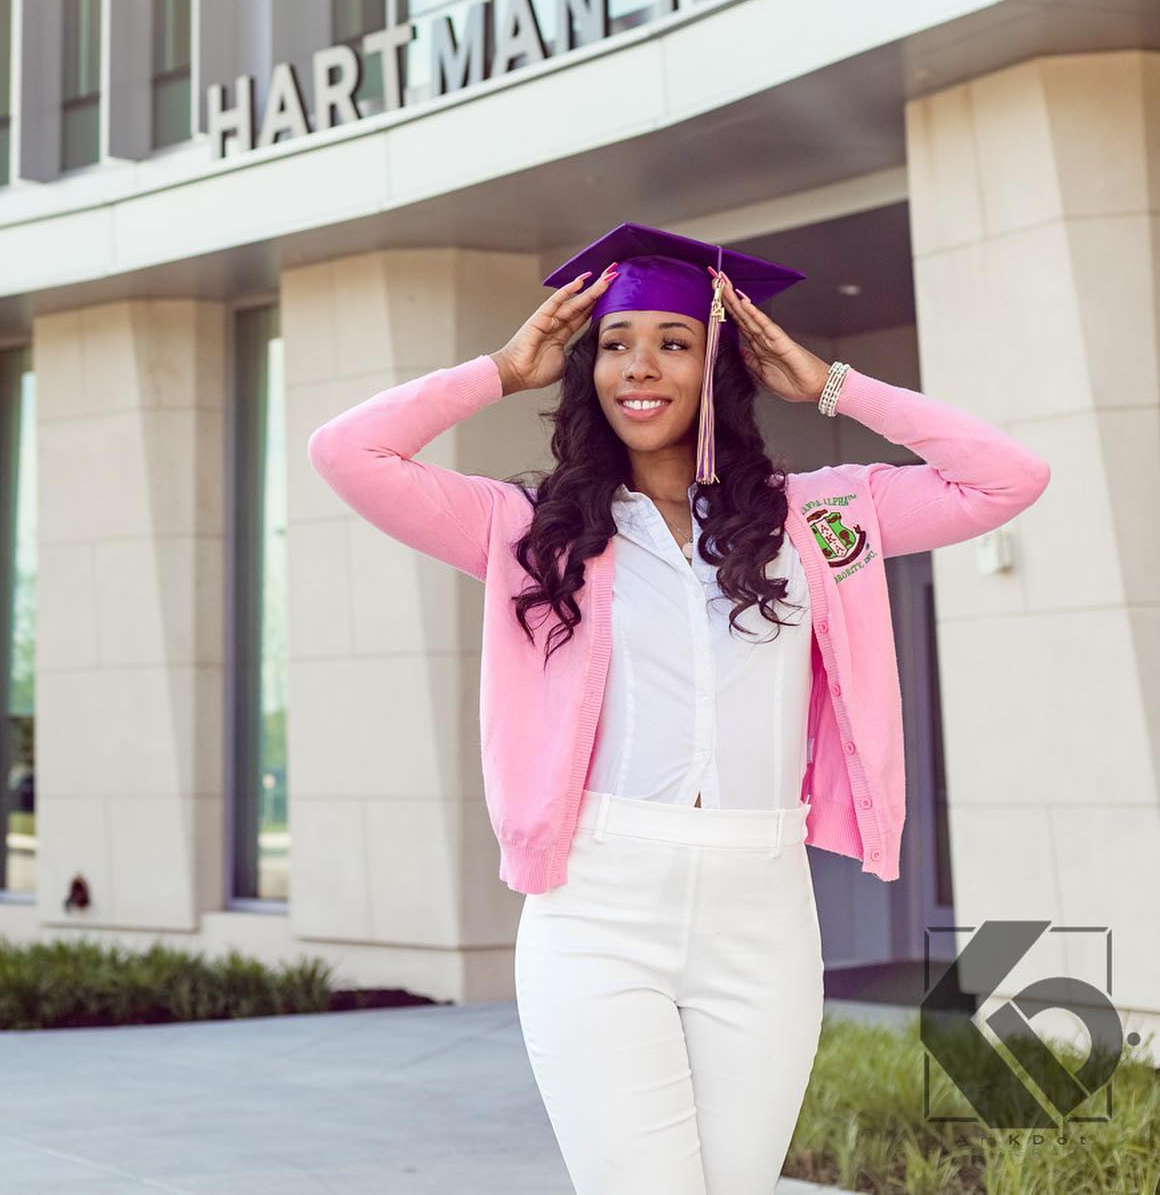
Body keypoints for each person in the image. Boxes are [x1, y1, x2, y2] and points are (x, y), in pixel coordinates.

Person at [306, 223, 1051, 1194]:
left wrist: (829, 383)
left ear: (720, 364)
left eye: (673, 339)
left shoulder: (814, 519)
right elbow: (346, 450)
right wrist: (501, 366)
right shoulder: (531, 530)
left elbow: (1009, 476)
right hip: (600, 904)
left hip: (763, 904)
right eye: (615, 343)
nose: (639, 366)